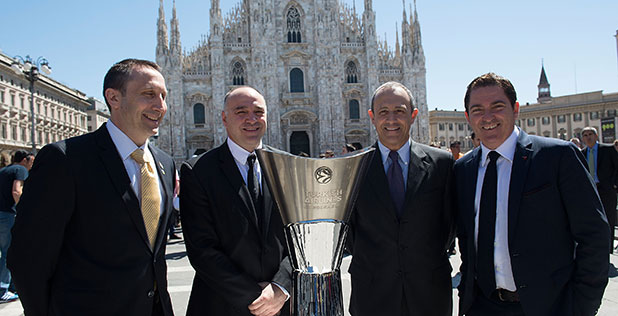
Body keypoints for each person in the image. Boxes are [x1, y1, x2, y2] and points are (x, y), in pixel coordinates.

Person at [8, 59, 176, 316]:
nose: (161, 106)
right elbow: (28, 257)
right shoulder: (67, 159)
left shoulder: (164, 163)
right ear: (114, 98)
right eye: (149, 94)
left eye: (164, 96)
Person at [454, 73, 609, 316]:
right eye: (477, 110)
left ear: (515, 109)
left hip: (549, 306)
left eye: (497, 107)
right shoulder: (463, 170)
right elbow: (466, 240)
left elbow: (594, 235)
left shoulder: (557, 157)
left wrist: (581, 307)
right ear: (467, 117)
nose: (487, 117)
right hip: (483, 306)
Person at [180, 86, 291, 316]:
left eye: (259, 112)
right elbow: (201, 248)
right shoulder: (198, 171)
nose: (252, 119)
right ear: (224, 118)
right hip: (222, 305)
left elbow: (300, 237)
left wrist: (281, 287)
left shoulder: (287, 166)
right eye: (241, 111)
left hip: (281, 306)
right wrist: (255, 297)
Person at [346, 81, 455, 316]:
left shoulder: (442, 164)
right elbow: (349, 233)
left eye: (400, 111)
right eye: (383, 112)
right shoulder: (352, 167)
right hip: (372, 295)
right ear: (372, 117)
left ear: (414, 115)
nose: (391, 119)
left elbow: (449, 227)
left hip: (429, 294)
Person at [0, 150, 33, 303]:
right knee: (10, 252)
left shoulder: (3, 170)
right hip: (8, 214)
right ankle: (3, 289)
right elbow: (16, 191)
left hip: (1, 213)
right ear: (25, 160)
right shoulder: (20, 170)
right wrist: (24, 210)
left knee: (4, 251)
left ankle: (11, 286)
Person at [581, 126, 618, 253]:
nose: (588, 137)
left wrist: (614, 184)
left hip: (607, 190)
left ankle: (608, 249)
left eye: (590, 134)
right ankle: (597, 248)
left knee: (609, 219)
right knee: (593, 221)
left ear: (596, 136)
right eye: (585, 135)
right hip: (590, 191)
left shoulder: (608, 149)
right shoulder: (582, 153)